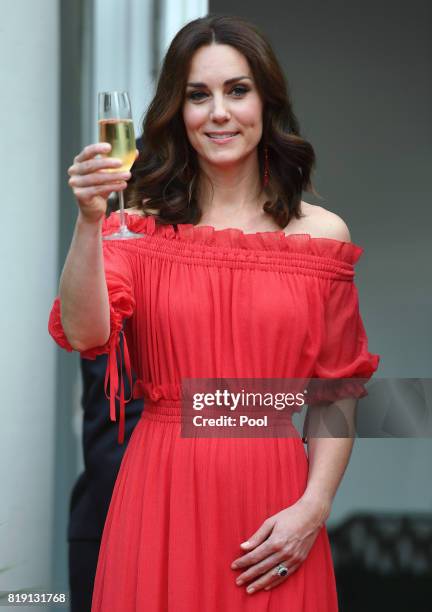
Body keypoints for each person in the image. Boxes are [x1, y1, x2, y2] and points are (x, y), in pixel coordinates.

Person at [48, 14, 380, 611]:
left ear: (266, 102)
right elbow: (84, 331)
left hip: (278, 509)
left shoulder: (322, 234)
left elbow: (339, 390)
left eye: (237, 90)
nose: (218, 112)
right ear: (178, 111)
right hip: (161, 494)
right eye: (198, 95)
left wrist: (314, 507)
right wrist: (90, 221)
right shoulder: (135, 225)